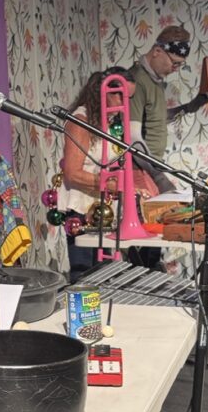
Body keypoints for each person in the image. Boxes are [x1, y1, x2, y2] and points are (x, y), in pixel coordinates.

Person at [57, 66, 158, 279]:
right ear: (103, 92)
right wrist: (115, 185)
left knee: (103, 274)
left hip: (101, 206)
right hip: (80, 208)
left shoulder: (108, 123)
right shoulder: (81, 121)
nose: (125, 104)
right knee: (84, 273)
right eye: (121, 96)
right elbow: (72, 173)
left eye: (129, 98)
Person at [130, 26, 208, 159]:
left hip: (151, 165)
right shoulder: (138, 80)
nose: (176, 69)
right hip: (139, 167)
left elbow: (155, 118)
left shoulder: (154, 79)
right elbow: (132, 138)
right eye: (174, 63)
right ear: (157, 51)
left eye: (180, 65)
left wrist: (191, 106)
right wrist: (156, 174)